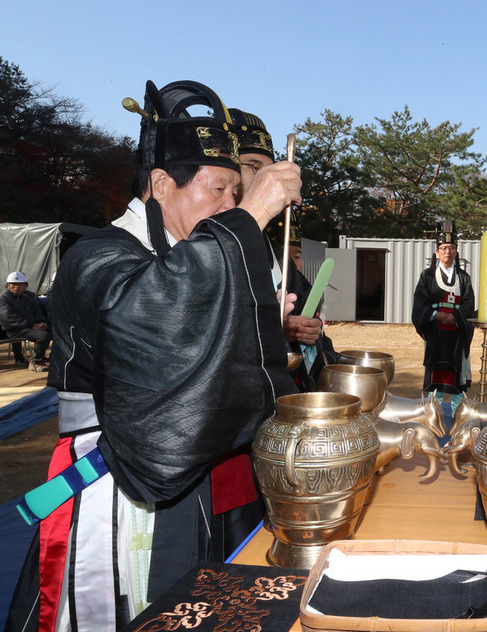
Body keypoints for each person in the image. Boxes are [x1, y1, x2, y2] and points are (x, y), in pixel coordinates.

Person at [4, 80, 302, 632]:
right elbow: (154, 313)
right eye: (220, 189)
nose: (230, 205)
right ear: (162, 183)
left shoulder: (176, 254)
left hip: (191, 470)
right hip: (114, 480)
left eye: (238, 193)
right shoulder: (98, 257)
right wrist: (249, 220)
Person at [230, 108, 337, 386]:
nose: (267, 179)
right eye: (254, 167)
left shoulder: (278, 259)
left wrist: (310, 330)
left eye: (269, 170)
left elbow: (306, 311)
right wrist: (274, 328)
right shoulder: (205, 249)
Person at [411, 223, 475, 420]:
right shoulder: (427, 276)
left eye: (452, 248)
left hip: (456, 332)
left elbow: (468, 302)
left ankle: (457, 414)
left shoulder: (463, 277)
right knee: (435, 373)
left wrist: (454, 317)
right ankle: (433, 415)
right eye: (444, 248)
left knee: (455, 375)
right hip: (435, 332)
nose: (448, 252)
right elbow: (420, 303)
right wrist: (437, 315)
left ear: (456, 252)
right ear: (437, 252)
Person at [0, 271, 50, 368]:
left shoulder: (29, 297)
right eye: (13, 284)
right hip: (14, 330)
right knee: (43, 336)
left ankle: (48, 358)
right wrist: (32, 325)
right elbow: (9, 318)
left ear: (25, 286)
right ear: (7, 286)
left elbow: (37, 312)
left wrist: (42, 322)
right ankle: (36, 361)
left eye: (20, 284)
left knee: (53, 331)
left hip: (29, 328)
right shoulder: (3, 299)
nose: (17, 287)